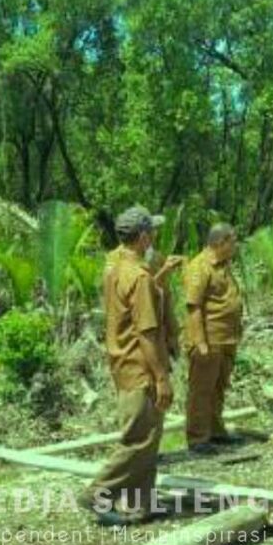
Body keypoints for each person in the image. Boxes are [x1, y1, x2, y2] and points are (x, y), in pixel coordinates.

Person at [79, 206, 173, 525]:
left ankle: (140, 504)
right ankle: (98, 492)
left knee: (149, 435)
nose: (156, 238)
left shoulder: (114, 264)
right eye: (153, 233)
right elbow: (146, 331)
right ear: (144, 237)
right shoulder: (138, 275)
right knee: (139, 439)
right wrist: (161, 377)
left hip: (122, 362)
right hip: (140, 365)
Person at [183, 223, 243, 453]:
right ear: (219, 242)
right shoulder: (200, 267)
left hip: (226, 339)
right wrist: (200, 343)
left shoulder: (224, 266)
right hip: (209, 339)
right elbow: (193, 307)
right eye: (232, 241)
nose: (235, 245)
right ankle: (198, 438)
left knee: (218, 387)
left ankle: (216, 431)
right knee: (201, 390)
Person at [105, 210, 183, 360]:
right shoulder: (115, 261)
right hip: (136, 339)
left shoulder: (155, 257)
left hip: (157, 326)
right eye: (151, 230)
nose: (155, 234)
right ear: (141, 235)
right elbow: (137, 292)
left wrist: (172, 332)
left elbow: (161, 294)